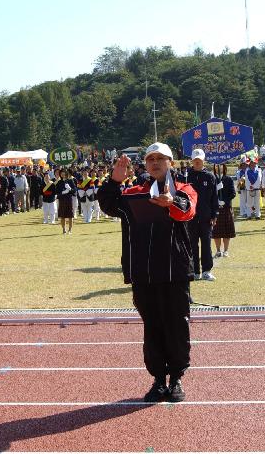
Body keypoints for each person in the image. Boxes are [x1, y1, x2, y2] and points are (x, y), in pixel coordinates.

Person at [97, 143, 197, 403]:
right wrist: (113, 181)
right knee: (152, 326)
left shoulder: (183, 189)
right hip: (143, 272)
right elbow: (109, 204)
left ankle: (176, 379)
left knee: (176, 324)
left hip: (174, 270)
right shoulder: (132, 192)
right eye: (150, 159)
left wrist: (171, 201)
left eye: (160, 159)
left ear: (170, 163)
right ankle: (157, 380)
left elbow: (187, 210)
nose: (155, 163)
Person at [183, 149, 218, 281]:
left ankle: (206, 271)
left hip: (206, 217)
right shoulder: (186, 176)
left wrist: (214, 215)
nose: (197, 162)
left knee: (206, 244)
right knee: (192, 244)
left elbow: (214, 197)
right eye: (195, 159)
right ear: (192, 160)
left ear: (203, 160)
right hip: (190, 217)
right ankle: (195, 271)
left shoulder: (210, 177)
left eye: (199, 159)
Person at [212, 163, 236, 258]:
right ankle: (218, 250)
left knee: (226, 231)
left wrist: (225, 201)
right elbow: (209, 193)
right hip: (215, 208)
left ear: (224, 167)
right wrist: (216, 190)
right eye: (217, 166)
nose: (219, 167)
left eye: (221, 165)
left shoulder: (228, 179)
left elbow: (233, 193)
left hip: (226, 207)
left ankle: (226, 250)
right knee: (216, 231)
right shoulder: (212, 178)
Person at [55, 168, 76, 234]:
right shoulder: (59, 182)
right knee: (62, 216)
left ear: (66, 173)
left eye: (64, 172)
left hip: (69, 199)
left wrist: (70, 189)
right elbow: (57, 192)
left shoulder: (70, 181)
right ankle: (64, 229)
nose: (63, 174)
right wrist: (62, 192)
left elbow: (74, 191)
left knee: (70, 215)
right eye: (61, 173)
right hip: (62, 200)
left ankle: (70, 230)